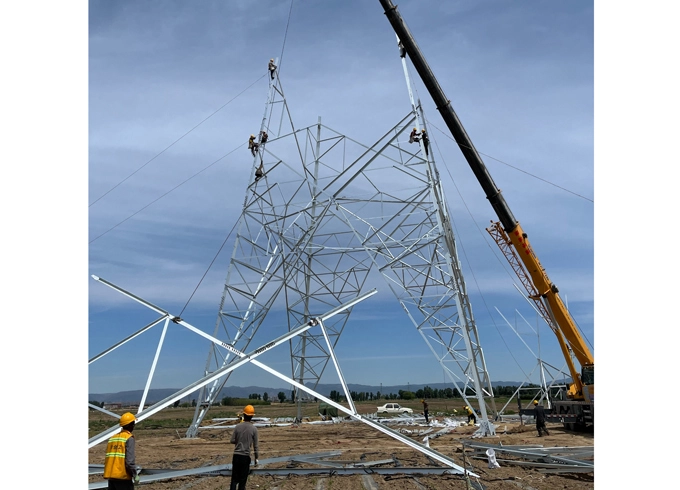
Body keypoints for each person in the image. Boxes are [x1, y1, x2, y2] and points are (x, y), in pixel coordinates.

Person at [103, 412, 140, 489]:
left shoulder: (113, 438)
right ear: (130, 425)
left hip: (111, 477)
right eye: (133, 423)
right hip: (123, 477)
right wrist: (135, 474)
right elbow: (129, 462)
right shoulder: (129, 438)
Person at [230, 404, 260, 490]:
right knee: (242, 482)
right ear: (252, 417)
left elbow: (232, 440)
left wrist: (239, 441)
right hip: (245, 457)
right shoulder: (254, 429)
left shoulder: (237, 427)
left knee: (234, 480)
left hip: (236, 456)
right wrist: (256, 458)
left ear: (244, 415)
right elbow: (256, 446)